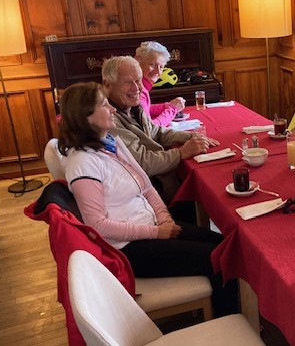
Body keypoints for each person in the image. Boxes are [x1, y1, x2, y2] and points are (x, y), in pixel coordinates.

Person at [57, 81, 238, 317]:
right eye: (104, 105)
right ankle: (229, 319)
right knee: (218, 258)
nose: (112, 109)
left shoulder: (111, 143)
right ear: (85, 117)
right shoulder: (83, 163)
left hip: (150, 225)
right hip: (129, 248)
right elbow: (97, 226)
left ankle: (229, 308)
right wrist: (157, 232)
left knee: (225, 245)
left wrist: (165, 219)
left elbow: (146, 186)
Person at [101, 55, 218, 206]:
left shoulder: (133, 107)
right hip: (146, 196)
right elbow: (142, 163)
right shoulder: (109, 119)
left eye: (138, 80)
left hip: (160, 184)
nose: (136, 88)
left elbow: (155, 131)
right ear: (108, 85)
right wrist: (182, 152)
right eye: (127, 82)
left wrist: (190, 136)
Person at [135, 41, 186, 127]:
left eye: (161, 67)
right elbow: (150, 128)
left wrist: (168, 105)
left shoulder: (142, 83)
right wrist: (173, 109)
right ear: (138, 62)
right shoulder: (137, 89)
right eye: (152, 65)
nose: (158, 72)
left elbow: (146, 108)